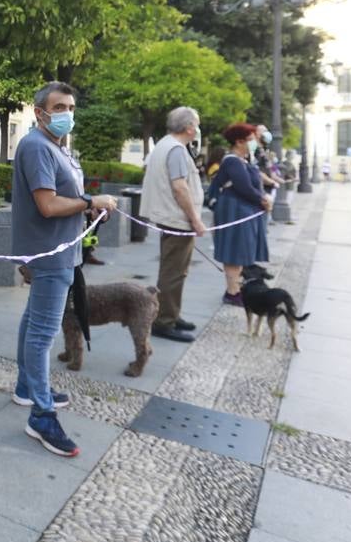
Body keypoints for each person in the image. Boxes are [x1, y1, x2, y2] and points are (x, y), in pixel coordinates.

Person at [11, 82, 117, 458]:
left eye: (70, 106)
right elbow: (48, 205)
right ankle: (41, 413)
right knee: (42, 333)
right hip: (50, 253)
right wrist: (91, 201)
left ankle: (27, 387)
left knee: (32, 320)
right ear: (40, 112)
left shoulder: (55, 146)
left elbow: (63, 199)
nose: (66, 113)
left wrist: (87, 206)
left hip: (59, 250)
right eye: (59, 106)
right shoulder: (38, 146)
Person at [139, 107, 206, 343]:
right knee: (173, 273)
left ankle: (171, 314)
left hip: (171, 217)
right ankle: (164, 321)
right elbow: (180, 188)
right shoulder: (176, 150)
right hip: (178, 219)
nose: (197, 129)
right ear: (189, 128)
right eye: (196, 125)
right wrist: (196, 220)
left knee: (174, 271)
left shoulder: (165, 144)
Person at [211, 124, 272, 305]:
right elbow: (243, 186)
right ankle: (232, 292)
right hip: (234, 211)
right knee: (234, 251)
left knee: (241, 251)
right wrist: (263, 200)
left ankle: (236, 289)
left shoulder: (243, 160)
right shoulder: (231, 160)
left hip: (243, 210)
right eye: (251, 138)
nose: (255, 142)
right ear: (239, 141)